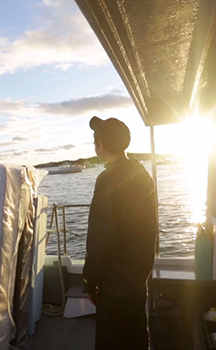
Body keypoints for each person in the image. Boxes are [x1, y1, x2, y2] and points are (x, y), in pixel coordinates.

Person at [83, 116, 158, 349]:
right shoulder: (140, 173)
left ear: (100, 146)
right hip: (137, 276)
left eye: (96, 141)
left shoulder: (108, 179)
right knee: (135, 335)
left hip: (115, 283)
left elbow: (100, 238)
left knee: (112, 341)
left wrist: (89, 280)